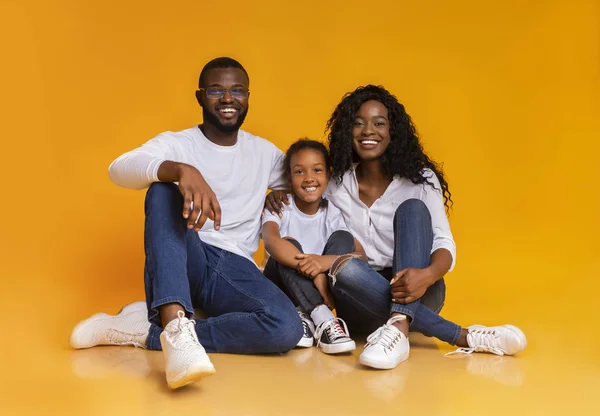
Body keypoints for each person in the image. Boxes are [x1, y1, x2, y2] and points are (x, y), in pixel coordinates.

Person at [69, 57, 303, 389]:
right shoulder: (179, 143)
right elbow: (118, 169)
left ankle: (146, 331)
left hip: (235, 270)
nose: (227, 99)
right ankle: (177, 330)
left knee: (285, 328)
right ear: (199, 97)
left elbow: (310, 182)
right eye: (216, 90)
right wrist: (179, 170)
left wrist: (276, 200)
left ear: (248, 97)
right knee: (162, 190)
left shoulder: (263, 153)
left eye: (237, 90)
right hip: (185, 254)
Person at [267, 85, 527, 370]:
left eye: (379, 123)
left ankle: (398, 325)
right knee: (348, 268)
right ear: (347, 131)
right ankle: (462, 335)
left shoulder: (420, 180)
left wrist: (427, 274)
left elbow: (443, 243)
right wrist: (280, 192)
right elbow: (308, 196)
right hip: (356, 293)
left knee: (413, 209)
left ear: (393, 132)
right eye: (359, 123)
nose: (368, 131)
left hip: (418, 288)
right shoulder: (336, 183)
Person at [262, 139, 364, 354]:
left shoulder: (332, 212)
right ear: (288, 177)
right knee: (288, 244)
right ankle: (324, 320)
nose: (309, 178)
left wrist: (323, 264)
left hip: (322, 289)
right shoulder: (280, 206)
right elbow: (271, 241)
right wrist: (316, 275)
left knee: (342, 237)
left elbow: (360, 257)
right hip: (280, 286)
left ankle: (306, 319)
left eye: (317, 170)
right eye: (299, 172)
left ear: (327, 175)